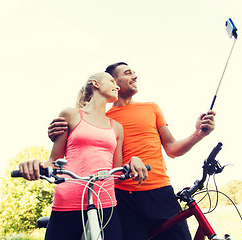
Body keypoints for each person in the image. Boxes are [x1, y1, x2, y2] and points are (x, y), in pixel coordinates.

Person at [47, 63, 216, 240]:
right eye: (128, 73)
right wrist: (56, 132)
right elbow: (75, 148)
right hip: (121, 198)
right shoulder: (102, 119)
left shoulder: (152, 108)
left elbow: (172, 149)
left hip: (159, 191)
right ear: (114, 82)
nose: (135, 76)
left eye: (134, 73)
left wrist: (198, 134)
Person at [18, 72, 148, 240]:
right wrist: (35, 165)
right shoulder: (70, 115)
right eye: (111, 81)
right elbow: (54, 160)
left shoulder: (116, 127)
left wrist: (134, 161)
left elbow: (117, 173)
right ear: (96, 84)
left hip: (105, 202)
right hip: (68, 201)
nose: (117, 86)